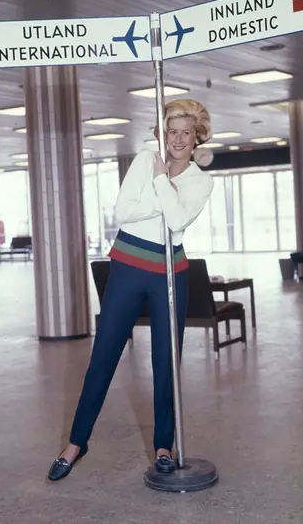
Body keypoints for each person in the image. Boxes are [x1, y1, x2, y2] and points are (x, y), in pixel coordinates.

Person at [46, 98, 214, 482]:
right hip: (126, 268)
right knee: (103, 356)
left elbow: (177, 222)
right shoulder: (143, 160)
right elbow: (123, 213)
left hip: (169, 274)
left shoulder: (201, 181)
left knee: (165, 363)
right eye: (171, 131)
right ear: (162, 133)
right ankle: (76, 443)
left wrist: (159, 183)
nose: (178, 139)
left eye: (186, 132)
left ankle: (163, 447)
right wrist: (161, 192)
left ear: (197, 137)